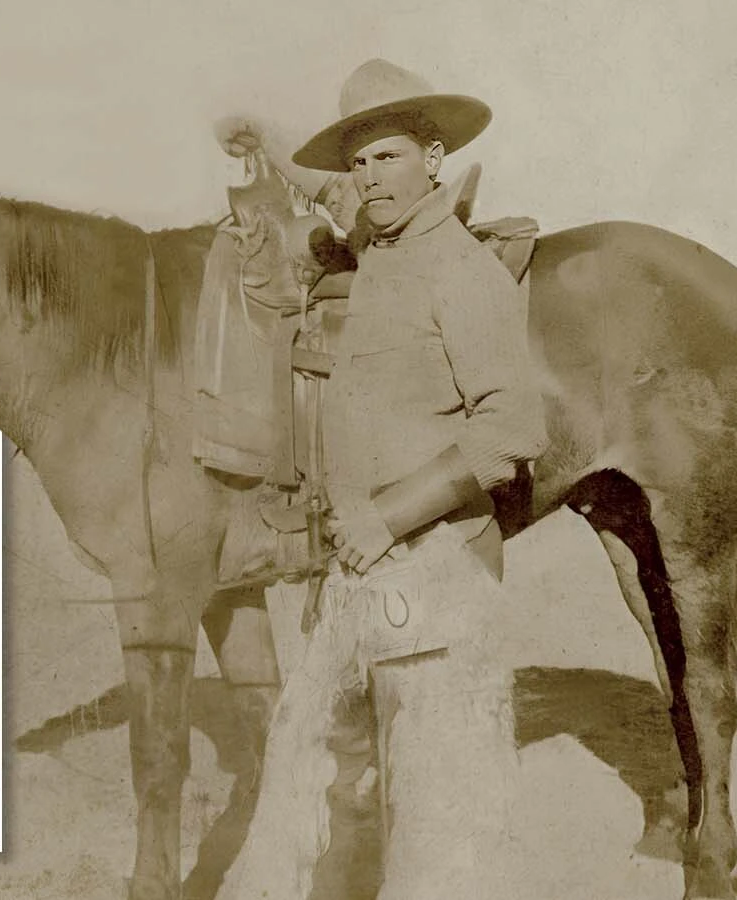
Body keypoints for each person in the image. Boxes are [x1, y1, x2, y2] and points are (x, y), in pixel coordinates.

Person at [215, 59, 548, 899]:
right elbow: (322, 189)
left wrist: (387, 517)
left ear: (434, 159)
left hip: (436, 571)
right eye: (359, 163)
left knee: (440, 835)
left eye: (388, 158)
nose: (369, 177)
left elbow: (513, 429)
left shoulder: (459, 270)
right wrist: (266, 129)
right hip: (361, 583)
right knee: (322, 798)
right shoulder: (379, 245)